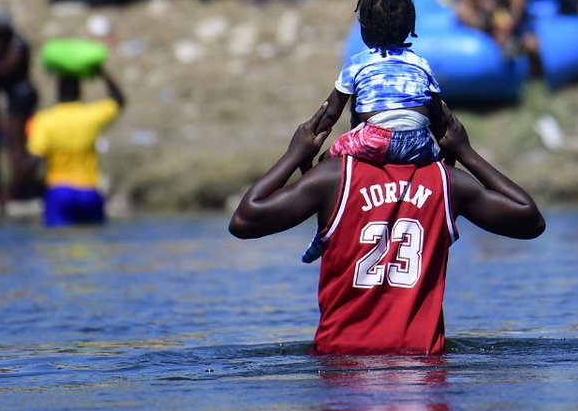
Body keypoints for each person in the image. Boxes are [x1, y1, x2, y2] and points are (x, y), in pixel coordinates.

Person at [228, 101, 545, 355]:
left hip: (341, 364)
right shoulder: (447, 183)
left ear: (358, 122)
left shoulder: (333, 178)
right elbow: (529, 220)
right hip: (422, 364)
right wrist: (466, 153)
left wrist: (295, 154)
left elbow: (244, 220)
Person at [305, 0, 446, 262]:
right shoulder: (421, 64)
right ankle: (444, 215)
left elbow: (332, 113)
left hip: (375, 138)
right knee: (443, 175)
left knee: (325, 164)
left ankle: (324, 232)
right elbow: (437, 116)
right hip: (419, 144)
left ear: (364, 29)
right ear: (410, 27)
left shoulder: (357, 63)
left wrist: (310, 137)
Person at [26, 67, 125, 227]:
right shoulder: (90, 116)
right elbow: (119, 101)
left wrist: (25, 187)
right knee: (92, 242)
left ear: (58, 92)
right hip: (89, 191)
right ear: (79, 92)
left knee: (58, 242)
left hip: (59, 191)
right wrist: (101, 72)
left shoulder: (44, 120)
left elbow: (34, 159)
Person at [0, 10, 39, 205]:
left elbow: (2, 70)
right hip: (15, 97)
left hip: (22, 96)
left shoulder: (17, 45)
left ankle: (18, 187)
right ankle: (21, 184)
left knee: (16, 144)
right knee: (14, 144)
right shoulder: (5, 44)